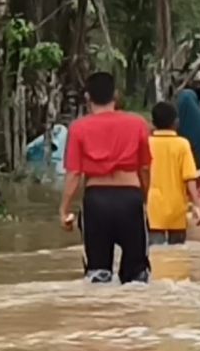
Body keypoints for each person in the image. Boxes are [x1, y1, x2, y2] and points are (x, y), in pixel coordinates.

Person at [60, 72, 152, 284]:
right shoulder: (138, 124)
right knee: (137, 276)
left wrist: (64, 209)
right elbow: (145, 168)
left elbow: (74, 174)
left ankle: (100, 316)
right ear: (116, 95)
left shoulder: (78, 128)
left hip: (96, 202)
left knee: (97, 275)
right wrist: (145, 198)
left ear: (87, 97)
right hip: (130, 199)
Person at [147, 102, 200, 246]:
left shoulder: (147, 144)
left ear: (153, 123)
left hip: (153, 210)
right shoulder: (182, 145)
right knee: (178, 255)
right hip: (177, 211)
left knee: (155, 255)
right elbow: (189, 178)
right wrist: (197, 205)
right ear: (176, 122)